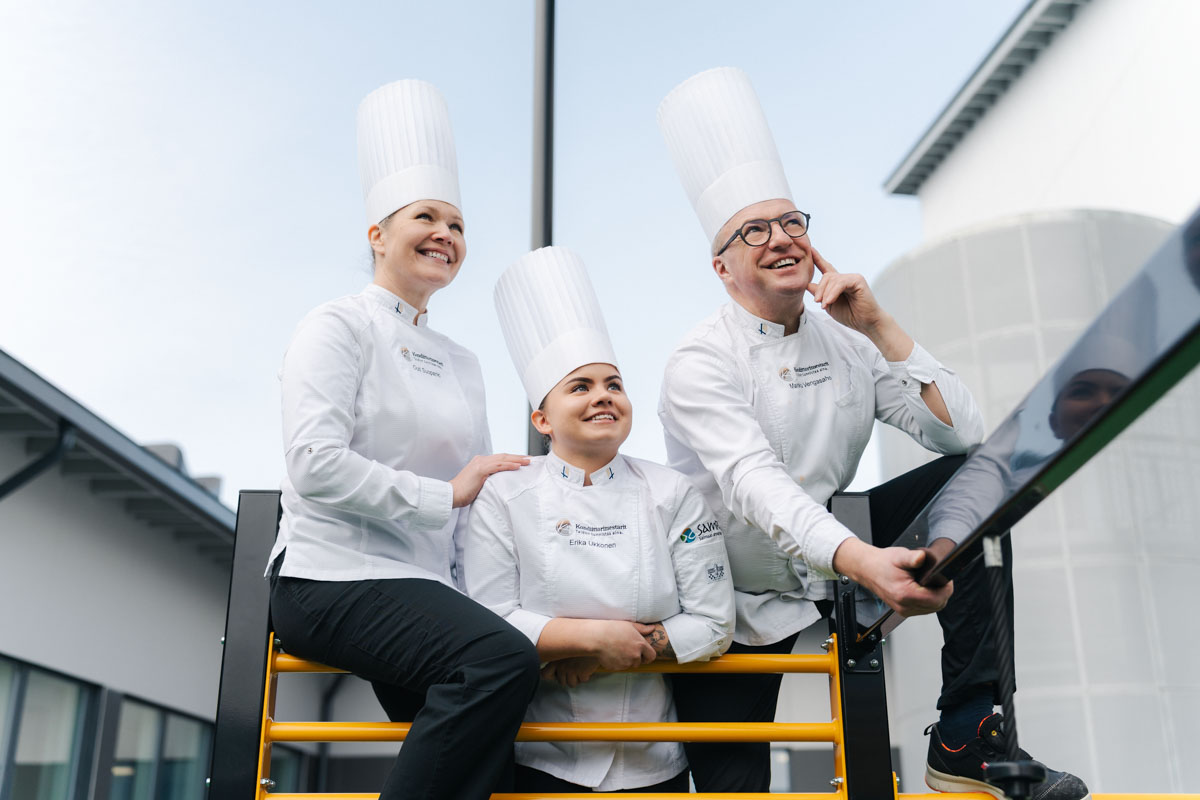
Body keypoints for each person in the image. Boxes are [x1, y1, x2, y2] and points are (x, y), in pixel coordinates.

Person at [655, 67, 1089, 800]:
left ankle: (966, 731)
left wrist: (881, 326)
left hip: (831, 554)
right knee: (734, 787)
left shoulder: (847, 339)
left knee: (979, 479)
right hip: (723, 589)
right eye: (754, 230)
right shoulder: (699, 360)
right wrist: (863, 562)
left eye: (792, 222)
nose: (781, 239)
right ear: (722, 267)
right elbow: (756, 485)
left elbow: (963, 435)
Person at [263, 79, 539, 800]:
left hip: (424, 588)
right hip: (330, 575)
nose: (446, 233)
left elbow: (478, 504)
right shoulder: (336, 325)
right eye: (426, 217)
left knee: (494, 771)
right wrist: (443, 494)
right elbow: (314, 463)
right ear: (377, 236)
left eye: (457, 224)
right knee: (496, 662)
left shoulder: (464, 362)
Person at [464, 245, 735, 794]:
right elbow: (491, 618)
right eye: (580, 387)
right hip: (537, 752)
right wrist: (592, 639)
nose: (603, 397)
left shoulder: (671, 491)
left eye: (614, 384)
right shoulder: (505, 495)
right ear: (542, 419)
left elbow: (714, 623)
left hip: (652, 757)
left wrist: (604, 651)